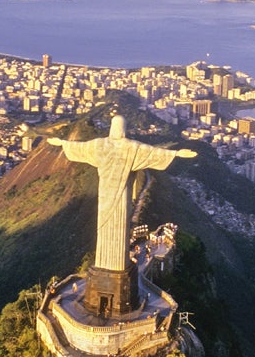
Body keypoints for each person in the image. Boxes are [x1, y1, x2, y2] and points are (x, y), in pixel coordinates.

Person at [48, 115, 195, 272]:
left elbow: (80, 148)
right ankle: (115, 265)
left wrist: (63, 143)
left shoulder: (100, 145)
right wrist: (176, 153)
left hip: (105, 196)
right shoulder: (131, 147)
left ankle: (106, 264)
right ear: (124, 128)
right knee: (117, 227)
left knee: (107, 228)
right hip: (120, 197)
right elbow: (153, 153)